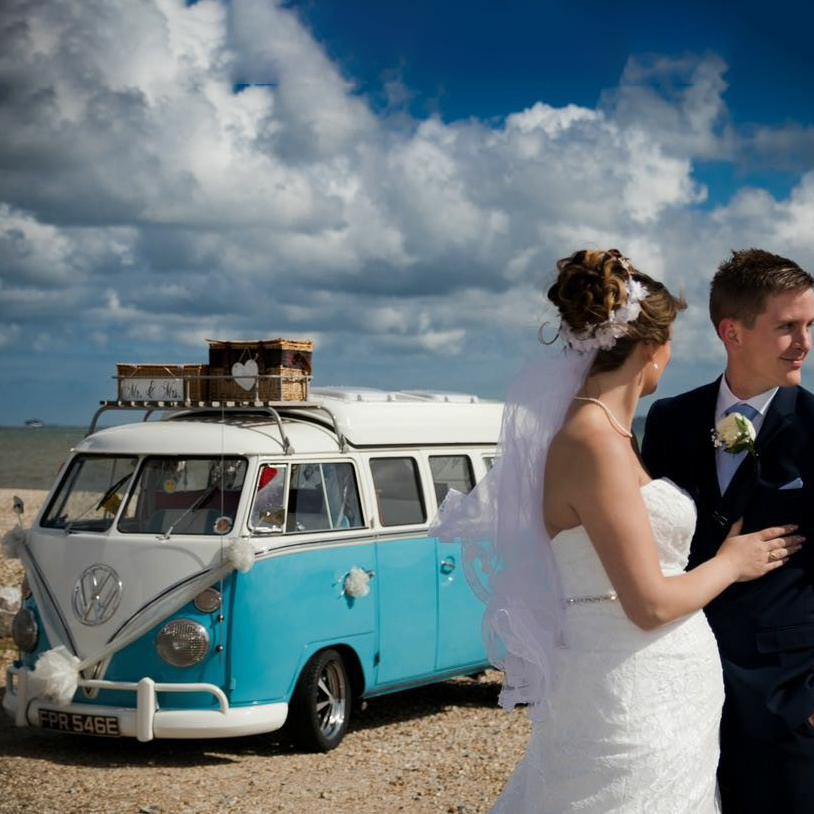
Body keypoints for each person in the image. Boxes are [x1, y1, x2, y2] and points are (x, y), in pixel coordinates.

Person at [431, 248, 802, 813]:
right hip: (633, 694)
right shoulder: (600, 442)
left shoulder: (613, 436)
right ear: (651, 349)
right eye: (789, 326)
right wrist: (731, 562)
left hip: (710, 696)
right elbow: (647, 601)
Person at [642, 249, 814, 814]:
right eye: (787, 326)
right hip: (679, 690)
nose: (804, 343)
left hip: (786, 700)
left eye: (809, 325)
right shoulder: (668, 420)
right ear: (731, 331)